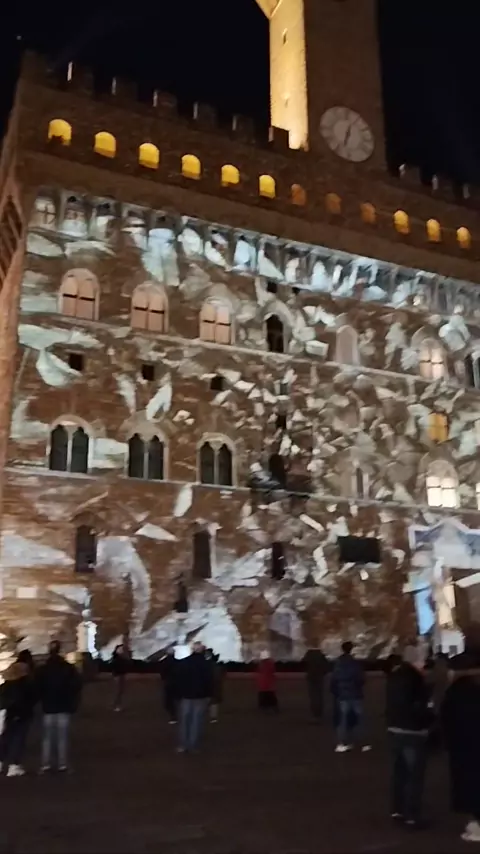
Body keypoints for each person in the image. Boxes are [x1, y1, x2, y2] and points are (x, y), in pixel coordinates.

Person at [386, 645, 433, 829]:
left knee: (399, 772)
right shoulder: (416, 679)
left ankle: (397, 809)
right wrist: (428, 722)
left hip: (394, 728)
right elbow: (420, 707)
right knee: (415, 775)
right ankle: (412, 815)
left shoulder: (394, 676)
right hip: (412, 731)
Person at [442, 653, 480, 843]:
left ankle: (476, 825)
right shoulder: (471, 690)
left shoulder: (455, 692)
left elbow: (446, 720)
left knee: (470, 787)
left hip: (463, 748)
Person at [36, 640, 82, 773]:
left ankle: (46, 764)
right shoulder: (68, 668)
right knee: (62, 737)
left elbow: (37, 687)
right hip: (64, 706)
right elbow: (76, 685)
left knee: (47, 738)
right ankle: (62, 764)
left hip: (48, 706)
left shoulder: (43, 669)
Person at [0, 651, 37, 776]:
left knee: (6, 738)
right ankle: (14, 765)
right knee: (18, 739)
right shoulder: (26, 682)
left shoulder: (8, 682)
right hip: (22, 713)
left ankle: (1, 762)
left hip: (9, 712)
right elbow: (32, 697)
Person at [331, 641, 369, 752]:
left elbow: (334, 679)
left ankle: (342, 742)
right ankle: (362, 743)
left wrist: (336, 691)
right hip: (355, 694)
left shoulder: (338, 663)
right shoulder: (355, 664)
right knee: (359, 719)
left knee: (342, 719)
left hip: (342, 694)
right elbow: (361, 679)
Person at [176, 642, 213, 753]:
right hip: (200, 696)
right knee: (196, 721)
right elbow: (209, 681)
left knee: (185, 721)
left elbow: (179, 679)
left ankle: (183, 745)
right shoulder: (206, 664)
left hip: (186, 695)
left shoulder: (185, 662)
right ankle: (193, 745)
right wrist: (209, 695)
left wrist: (179, 693)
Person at [303, 647, 329, 721]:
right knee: (319, 696)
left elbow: (303, 664)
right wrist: (322, 673)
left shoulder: (309, 655)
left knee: (313, 696)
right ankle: (319, 713)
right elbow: (326, 667)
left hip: (311, 677)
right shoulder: (321, 656)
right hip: (319, 677)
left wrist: (308, 671)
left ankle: (314, 714)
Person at [205, 649, 225, 723]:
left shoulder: (205, 664)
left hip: (208, 686)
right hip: (214, 686)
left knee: (208, 701)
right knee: (213, 702)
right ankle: (213, 717)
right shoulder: (216, 665)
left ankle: (211, 716)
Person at [159, 647, 178, 724]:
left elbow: (162, 673)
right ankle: (175, 714)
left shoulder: (164, 662)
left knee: (169, 699)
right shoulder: (177, 662)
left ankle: (172, 714)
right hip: (176, 682)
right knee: (175, 698)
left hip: (168, 682)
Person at [111, 644, 129, 712]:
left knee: (120, 691)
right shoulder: (118, 659)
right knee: (119, 691)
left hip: (119, 675)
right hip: (119, 675)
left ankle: (117, 705)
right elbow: (118, 667)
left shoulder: (118, 658)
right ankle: (116, 705)